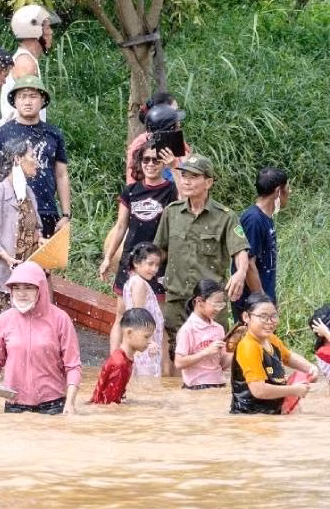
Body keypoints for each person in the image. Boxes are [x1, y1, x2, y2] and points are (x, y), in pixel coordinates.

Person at [154, 154, 249, 337]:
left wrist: (241, 272)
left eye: (194, 177)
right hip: (177, 299)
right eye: (184, 176)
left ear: (208, 182)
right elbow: (159, 251)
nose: (187, 182)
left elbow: (240, 250)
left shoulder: (225, 217)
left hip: (210, 302)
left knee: (213, 352)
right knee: (175, 352)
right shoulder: (171, 212)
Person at [0, 261, 82, 414]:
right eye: (16, 288)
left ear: (41, 289)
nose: (21, 293)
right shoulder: (3, 321)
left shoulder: (61, 319)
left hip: (53, 405)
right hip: (14, 404)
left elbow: (73, 366)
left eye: (28, 287)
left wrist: (70, 403)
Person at [0, 76, 70, 237]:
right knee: (12, 259)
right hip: (10, 210)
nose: (27, 102)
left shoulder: (53, 134)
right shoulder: (1, 134)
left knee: (45, 261)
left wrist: (66, 214)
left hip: (46, 209)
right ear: (14, 101)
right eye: (22, 96)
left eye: (33, 96)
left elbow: (61, 174)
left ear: (42, 100)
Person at [0, 139, 44, 323]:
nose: (36, 161)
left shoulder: (28, 193)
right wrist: (6, 257)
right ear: (17, 159)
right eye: (32, 156)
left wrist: (41, 240)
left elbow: (36, 228)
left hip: (26, 277)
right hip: (3, 277)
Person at [98, 144, 178, 295]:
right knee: (123, 313)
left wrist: (174, 168)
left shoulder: (172, 190)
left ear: (163, 163)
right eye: (146, 160)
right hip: (131, 257)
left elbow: (186, 202)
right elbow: (121, 226)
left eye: (156, 160)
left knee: (155, 315)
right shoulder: (131, 191)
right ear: (140, 162)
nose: (150, 164)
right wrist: (108, 258)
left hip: (158, 260)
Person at [228, 295, 312, 415]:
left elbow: (288, 357)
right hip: (250, 416)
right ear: (246, 317)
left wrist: (309, 368)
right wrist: (294, 390)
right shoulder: (248, 347)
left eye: (273, 316)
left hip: (270, 413)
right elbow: (259, 390)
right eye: (263, 316)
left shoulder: (271, 339)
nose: (270, 322)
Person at [113, 242, 166, 379]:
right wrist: (150, 341)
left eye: (157, 265)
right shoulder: (139, 284)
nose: (154, 269)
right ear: (136, 263)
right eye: (150, 264)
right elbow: (138, 315)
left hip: (140, 342)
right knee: (146, 386)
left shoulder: (131, 281)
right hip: (145, 345)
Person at [240, 166, 287, 312]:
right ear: (278, 191)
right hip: (252, 304)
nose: (290, 192)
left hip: (263, 299)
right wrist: (263, 303)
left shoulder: (265, 217)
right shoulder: (253, 220)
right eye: (288, 188)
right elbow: (248, 263)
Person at [0, 4, 57, 122]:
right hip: (22, 136)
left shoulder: (27, 59)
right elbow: (28, 112)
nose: (51, 32)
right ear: (34, 31)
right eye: (47, 28)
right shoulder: (26, 64)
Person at [91, 308, 157, 406]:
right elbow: (110, 405)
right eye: (146, 337)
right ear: (129, 333)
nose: (149, 341)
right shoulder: (120, 364)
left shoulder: (124, 357)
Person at [174, 279, 231, 390]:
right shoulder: (188, 329)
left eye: (221, 304)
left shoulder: (219, 329)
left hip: (219, 385)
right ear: (199, 302)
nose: (218, 309)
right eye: (215, 304)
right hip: (195, 389)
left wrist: (236, 348)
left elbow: (223, 364)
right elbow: (179, 363)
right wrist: (206, 352)